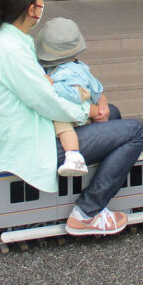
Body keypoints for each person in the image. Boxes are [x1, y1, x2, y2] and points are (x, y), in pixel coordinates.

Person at [0, 0, 143, 236]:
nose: (43, 7)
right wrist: (90, 111)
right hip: (30, 143)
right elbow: (50, 103)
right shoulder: (13, 52)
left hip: (26, 131)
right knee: (134, 131)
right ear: (32, 10)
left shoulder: (5, 41)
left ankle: (82, 183)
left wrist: (96, 110)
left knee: (113, 114)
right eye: (41, 1)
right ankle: (87, 213)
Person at [35, 17, 111, 177]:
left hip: (77, 117)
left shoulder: (68, 72)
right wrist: (102, 103)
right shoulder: (80, 66)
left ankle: (73, 155)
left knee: (61, 121)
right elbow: (97, 89)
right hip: (89, 112)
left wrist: (51, 85)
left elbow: (75, 95)